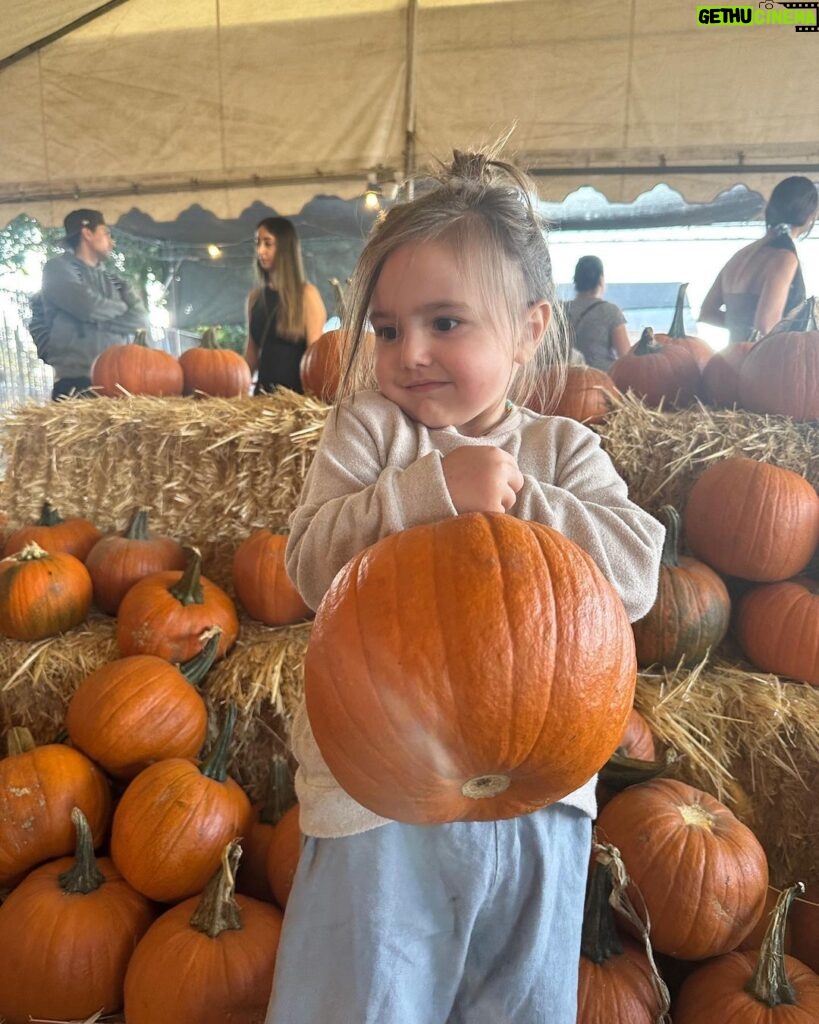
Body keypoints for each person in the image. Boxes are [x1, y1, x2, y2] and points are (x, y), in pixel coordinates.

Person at [264, 149, 665, 1024]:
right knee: (366, 996)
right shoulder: (366, 432)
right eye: (385, 327)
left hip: (539, 791)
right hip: (373, 797)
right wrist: (429, 490)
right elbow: (308, 566)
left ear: (527, 330)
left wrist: (523, 502)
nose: (408, 354)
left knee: (513, 1000)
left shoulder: (562, 450)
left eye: (445, 323)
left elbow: (636, 574)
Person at [39, 209, 150, 400]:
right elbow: (88, 306)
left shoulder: (115, 279)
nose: (111, 241)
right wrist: (123, 311)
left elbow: (141, 319)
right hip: (76, 382)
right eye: (106, 233)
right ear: (87, 233)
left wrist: (98, 321)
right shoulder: (57, 269)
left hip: (120, 380)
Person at [699, 175, 818, 342]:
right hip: (763, 363)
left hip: (730, 359)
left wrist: (739, 326)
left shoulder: (741, 255)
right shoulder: (784, 259)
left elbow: (707, 313)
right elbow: (766, 327)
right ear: (810, 216)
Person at [244, 217, 327, 394]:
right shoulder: (255, 298)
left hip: (297, 400)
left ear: (284, 248)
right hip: (263, 401)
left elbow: (315, 357)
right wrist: (235, 394)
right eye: (258, 243)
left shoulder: (307, 295)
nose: (260, 250)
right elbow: (251, 353)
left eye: (268, 243)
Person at [564, 255, 630, 370]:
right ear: (600, 280)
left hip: (565, 378)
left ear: (575, 280)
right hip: (601, 381)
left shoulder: (561, 310)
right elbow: (626, 357)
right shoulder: (611, 311)